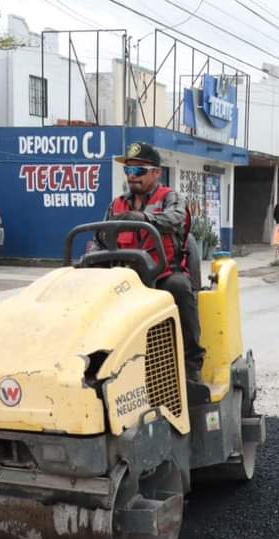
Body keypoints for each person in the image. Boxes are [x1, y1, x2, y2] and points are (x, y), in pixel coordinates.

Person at [107, 142, 204, 386]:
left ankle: (192, 365)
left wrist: (143, 218)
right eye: (128, 171)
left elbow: (176, 219)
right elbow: (101, 236)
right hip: (124, 278)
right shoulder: (116, 205)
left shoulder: (170, 198)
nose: (132, 177)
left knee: (180, 288)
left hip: (163, 275)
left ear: (156, 173)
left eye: (138, 171)